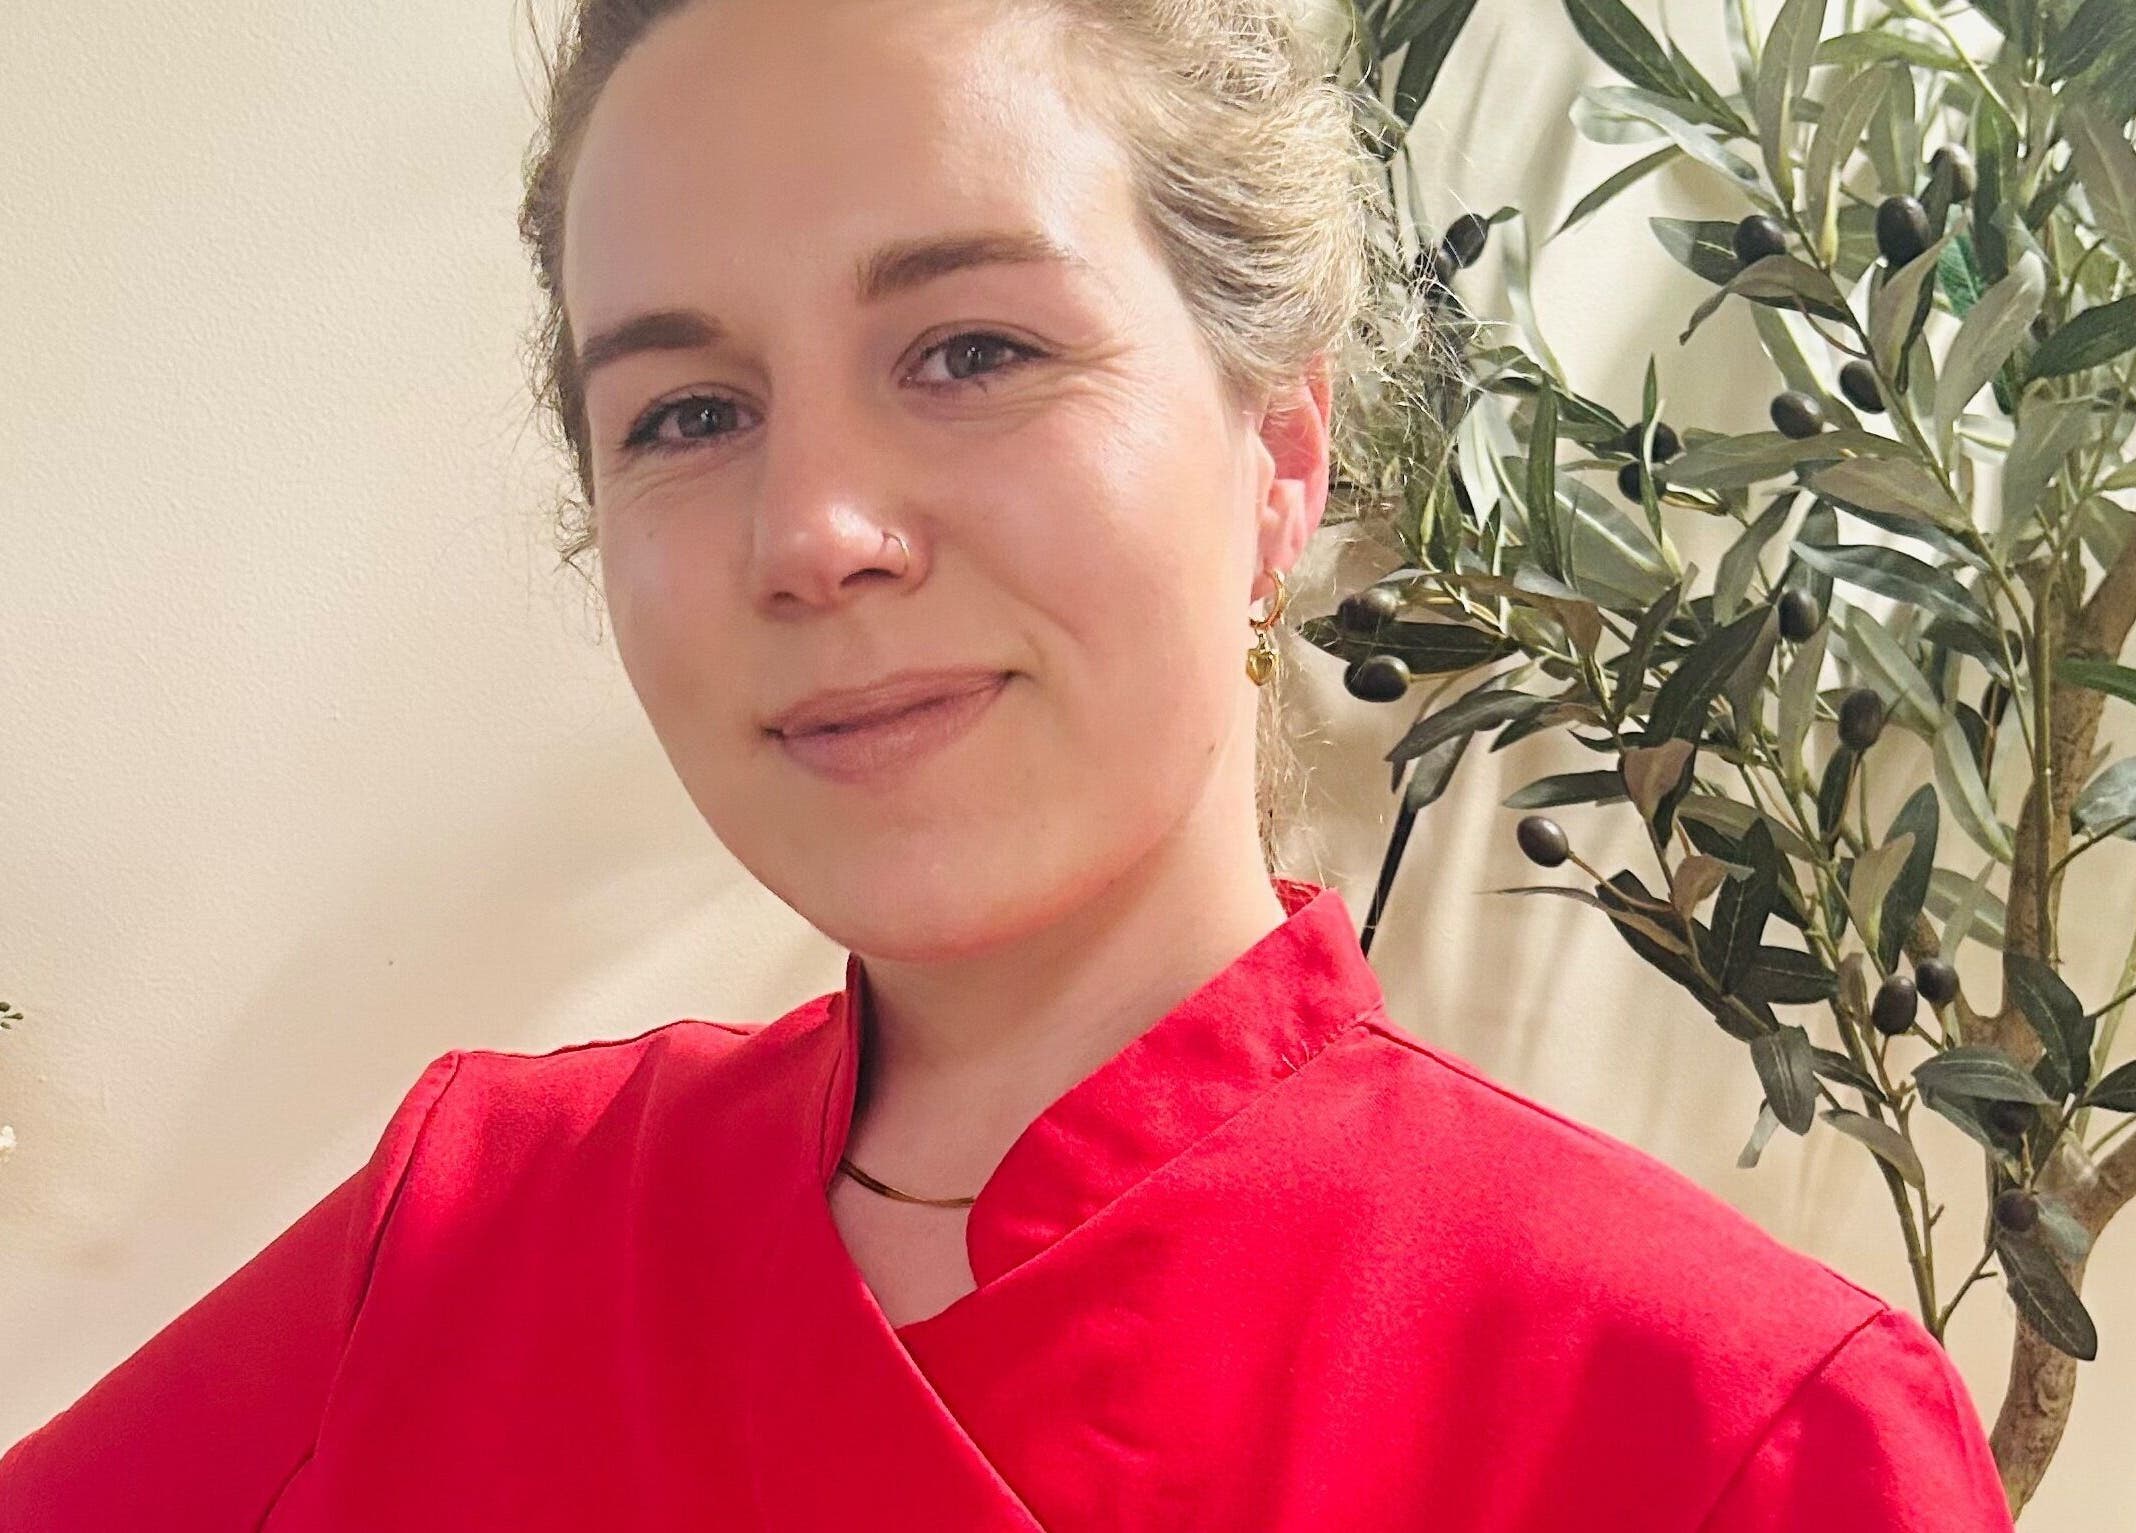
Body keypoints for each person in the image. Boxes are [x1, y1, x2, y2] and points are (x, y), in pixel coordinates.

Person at [0, 0, 2019, 1527]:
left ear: (1281, 452)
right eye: (691, 412)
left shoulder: (1726, 1428)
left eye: (970, 351)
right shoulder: (459, 1236)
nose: (815, 533)